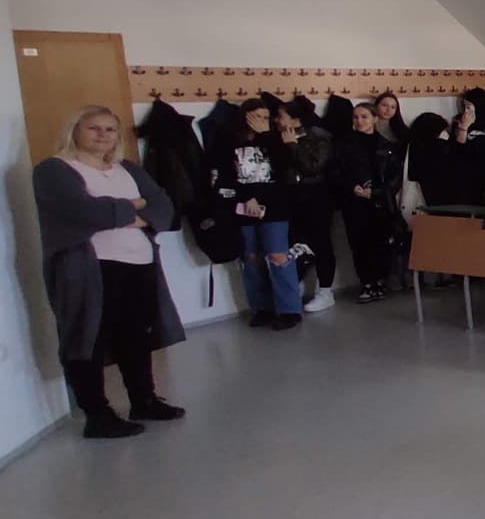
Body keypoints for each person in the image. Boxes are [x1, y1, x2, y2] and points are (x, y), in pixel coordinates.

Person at [33, 105, 188, 438]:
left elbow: (164, 205)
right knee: (87, 338)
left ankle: (143, 400)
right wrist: (134, 207)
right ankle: (97, 414)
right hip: (89, 270)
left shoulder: (127, 168)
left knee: (135, 336)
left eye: (110, 129)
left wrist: (126, 210)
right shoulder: (54, 170)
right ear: (75, 130)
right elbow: (85, 212)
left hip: (139, 265)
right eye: (93, 128)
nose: (103, 135)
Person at [211, 97, 302, 330]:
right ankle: (262, 308)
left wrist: (266, 136)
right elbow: (225, 175)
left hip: (274, 206)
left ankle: (290, 309)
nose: (261, 121)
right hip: (243, 206)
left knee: (277, 255)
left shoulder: (274, 139)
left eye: (265, 117)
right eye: (256, 117)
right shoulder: (228, 140)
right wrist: (245, 197)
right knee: (250, 257)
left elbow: (285, 168)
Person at [276, 101, 339, 313]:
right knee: (295, 242)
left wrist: (292, 146)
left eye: (281, 116)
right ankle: (297, 284)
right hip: (291, 196)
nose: (277, 120)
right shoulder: (278, 137)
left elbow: (313, 166)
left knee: (320, 243)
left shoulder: (317, 136)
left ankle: (326, 291)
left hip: (316, 195)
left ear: (295, 119)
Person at [335, 103, 400, 303]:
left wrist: (377, 192)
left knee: (381, 241)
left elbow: (393, 177)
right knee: (360, 243)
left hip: (379, 202)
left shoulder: (386, 146)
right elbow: (337, 172)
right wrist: (352, 187)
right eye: (356, 117)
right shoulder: (344, 145)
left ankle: (380, 281)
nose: (359, 121)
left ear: (374, 118)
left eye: (364, 117)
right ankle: (367, 283)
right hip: (355, 202)